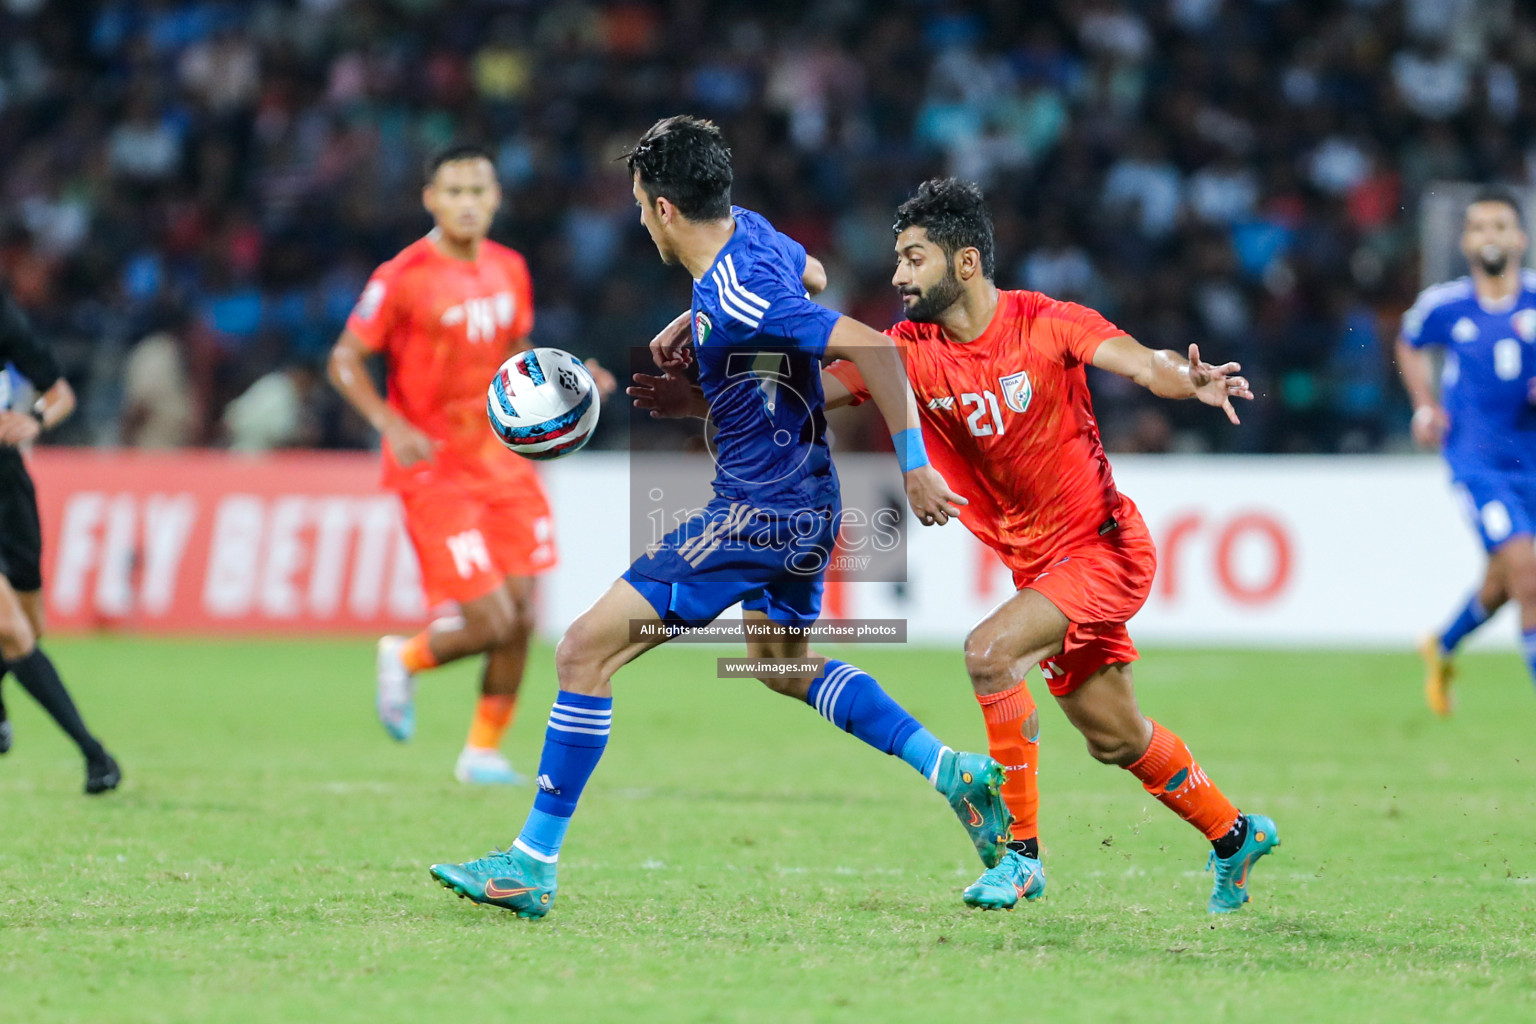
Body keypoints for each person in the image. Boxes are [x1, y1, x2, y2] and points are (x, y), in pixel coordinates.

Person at [633, 178, 1277, 915]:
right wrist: (707, 395)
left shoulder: (1046, 323)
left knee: (989, 653)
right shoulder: (908, 350)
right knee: (1116, 737)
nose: (899, 277)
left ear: (965, 263)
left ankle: (1020, 858)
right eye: (898, 259)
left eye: (914, 259)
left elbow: (1138, 360)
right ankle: (1235, 834)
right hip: (1040, 568)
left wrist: (1184, 377)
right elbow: (808, 391)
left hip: (1102, 549)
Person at [428, 116, 1010, 919]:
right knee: (779, 663)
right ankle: (952, 771)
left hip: (759, 510)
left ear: (665, 209)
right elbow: (806, 277)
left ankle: (531, 862)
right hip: (805, 493)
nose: (637, 220)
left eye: (640, 206)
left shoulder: (739, 292)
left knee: (581, 652)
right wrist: (695, 359)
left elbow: (877, 350)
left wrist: (913, 467)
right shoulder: (755, 236)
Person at [329, 144, 612, 785]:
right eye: (453, 191)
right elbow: (344, 359)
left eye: (477, 191)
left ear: (495, 199)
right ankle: (404, 657)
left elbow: (516, 348)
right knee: (489, 620)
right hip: (433, 465)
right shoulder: (402, 275)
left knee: (524, 616)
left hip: (503, 459)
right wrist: (389, 423)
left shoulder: (510, 268)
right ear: (430, 198)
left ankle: (481, 751)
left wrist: (569, 381)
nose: (466, 203)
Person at [1397, 187, 1536, 716]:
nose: (1490, 236)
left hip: (1531, 459)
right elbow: (1408, 343)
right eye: (1480, 227)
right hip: (1476, 461)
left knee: (1503, 581)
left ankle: (1444, 643)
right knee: (1527, 572)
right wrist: (1424, 405)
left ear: (1520, 238)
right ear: (1466, 241)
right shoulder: (1445, 304)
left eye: (1501, 226)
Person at [0, 288, 120, 793]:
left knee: (31, 626)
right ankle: (95, 755)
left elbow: (59, 393)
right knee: (10, 630)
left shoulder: (5, 318)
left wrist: (36, 419)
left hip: (7, 488)